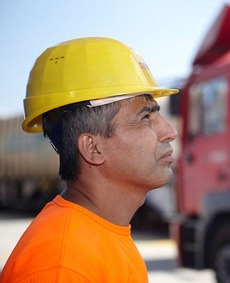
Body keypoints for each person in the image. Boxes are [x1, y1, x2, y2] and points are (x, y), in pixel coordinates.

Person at [0, 37, 178, 282]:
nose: (170, 132)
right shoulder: (62, 266)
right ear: (92, 148)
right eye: (146, 117)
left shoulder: (103, 234)